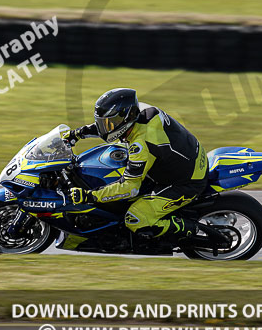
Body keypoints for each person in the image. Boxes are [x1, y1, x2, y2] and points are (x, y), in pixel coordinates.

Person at [63, 88, 218, 244]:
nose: (105, 128)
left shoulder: (141, 144)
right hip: (184, 159)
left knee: (135, 218)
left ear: (127, 116)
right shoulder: (141, 110)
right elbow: (112, 128)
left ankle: (190, 229)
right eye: (103, 123)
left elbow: (129, 187)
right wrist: (78, 133)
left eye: (109, 123)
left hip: (186, 182)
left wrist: (90, 196)